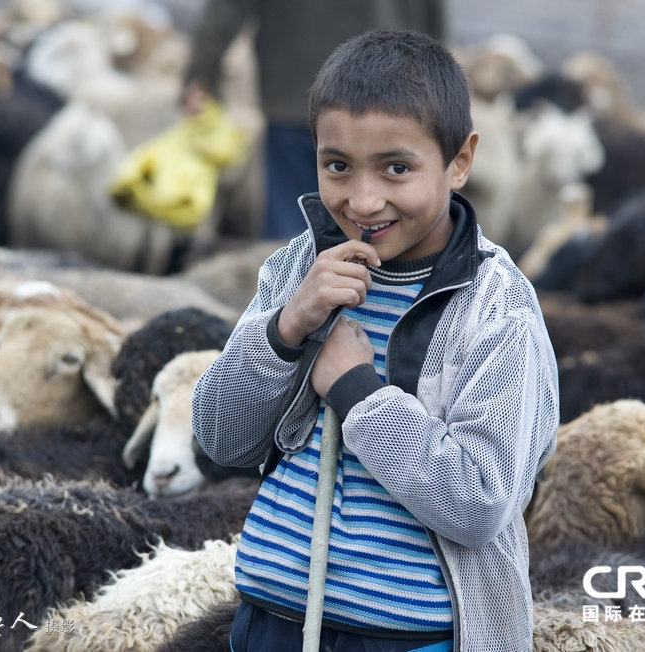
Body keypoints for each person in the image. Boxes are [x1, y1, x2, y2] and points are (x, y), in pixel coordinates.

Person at [192, 29, 560, 651]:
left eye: (396, 168)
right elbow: (222, 439)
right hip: (270, 620)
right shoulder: (298, 268)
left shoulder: (496, 310)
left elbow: (480, 504)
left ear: (459, 161)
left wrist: (359, 394)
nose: (363, 202)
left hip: (406, 637)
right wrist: (285, 330)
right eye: (337, 166)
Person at [181, 1, 444, 241]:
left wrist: (200, 75)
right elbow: (432, 14)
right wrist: (437, 83)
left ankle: (296, 275)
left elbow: (228, 8)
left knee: (291, 229)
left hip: (294, 94)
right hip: (392, 100)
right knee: (385, 224)